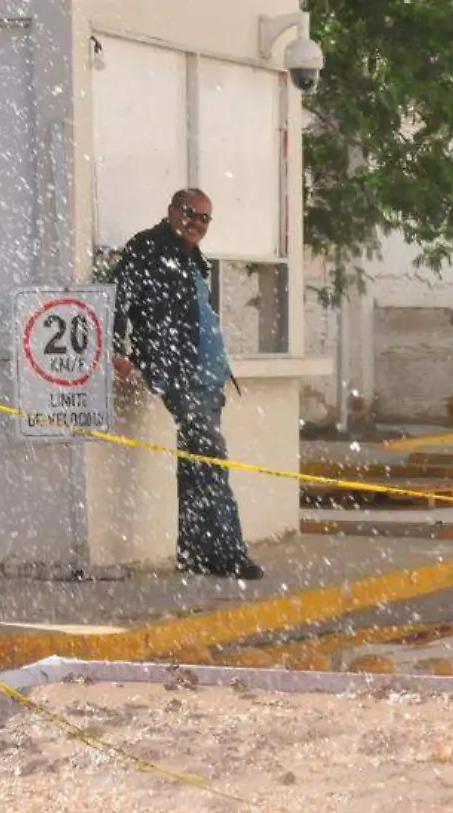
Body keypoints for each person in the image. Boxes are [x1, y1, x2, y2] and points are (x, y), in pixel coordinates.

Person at [111, 188, 263, 581]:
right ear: (171, 211)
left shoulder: (194, 257)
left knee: (196, 461)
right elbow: (120, 299)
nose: (196, 223)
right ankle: (230, 554)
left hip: (208, 374)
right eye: (190, 213)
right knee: (212, 457)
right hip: (177, 371)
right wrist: (117, 349)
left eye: (204, 218)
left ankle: (194, 554)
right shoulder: (147, 247)